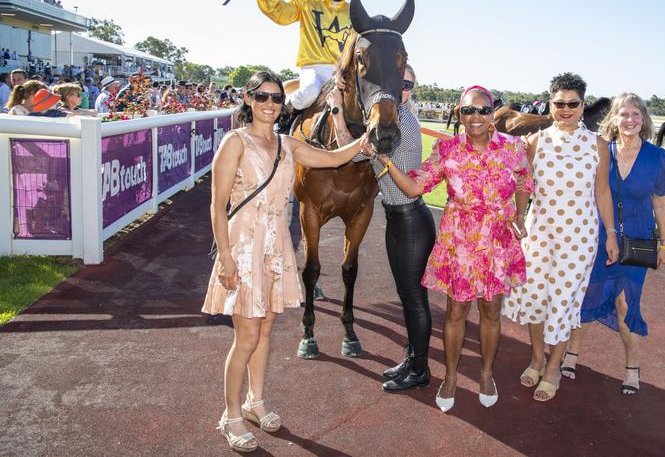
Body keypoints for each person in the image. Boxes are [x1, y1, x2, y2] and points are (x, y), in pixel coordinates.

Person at [201, 71, 371, 452]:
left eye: (277, 98)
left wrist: (365, 140)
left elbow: (333, 157)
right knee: (245, 336)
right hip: (244, 246)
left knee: (264, 332)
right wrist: (226, 257)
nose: (270, 104)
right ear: (248, 100)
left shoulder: (288, 144)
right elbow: (217, 206)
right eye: (261, 97)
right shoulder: (234, 143)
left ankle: (255, 402)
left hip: (276, 244)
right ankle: (230, 415)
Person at [376, 85, 533, 412]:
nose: (475, 116)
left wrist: (520, 214)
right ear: (458, 114)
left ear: (493, 113)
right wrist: (387, 162)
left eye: (482, 109)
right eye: (467, 110)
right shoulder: (447, 150)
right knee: (456, 311)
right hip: (460, 241)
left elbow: (523, 181)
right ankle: (450, 376)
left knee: (491, 312)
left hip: (497, 240)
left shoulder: (514, 147)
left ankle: (486, 374)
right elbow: (417, 185)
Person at [502, 72, 618, 402]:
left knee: (564, 301)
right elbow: (525, 184)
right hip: (539, 233)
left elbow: (603, 192)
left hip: (579, 237)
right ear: (550, 104)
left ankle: (554, 366)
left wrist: (610, 233)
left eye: (573, 104)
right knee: (535, 297)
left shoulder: (597, 146)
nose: (566, 109)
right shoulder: (536, 141)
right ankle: (537, 358)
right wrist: (519, 215)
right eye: (559, 103)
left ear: (583, 105)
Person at [562, 93, 665, 396]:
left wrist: (664, 245)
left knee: (627, 303)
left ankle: (632, 367)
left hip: (639, 238)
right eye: (624, 114)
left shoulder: (656, 157)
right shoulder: (601, 152)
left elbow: (662, 205)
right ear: (613, 119)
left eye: (636, 115)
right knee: (589, 295)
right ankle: (572, 353)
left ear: (644, 120)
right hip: (599, 236)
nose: (630, 121)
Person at [328, 64, 435, 391]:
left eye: (407, 85)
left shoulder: (401, 121)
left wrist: (338, 116)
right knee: (406, 296)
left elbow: (361, 156)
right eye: (397, 83)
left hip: (411, 221)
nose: (401, 90)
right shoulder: (394, 118)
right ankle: (412, 357)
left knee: (415, 299)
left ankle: (420, 370)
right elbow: (359, 153)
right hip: (398, 219)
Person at [257, 0, 354, 110]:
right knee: (309, 92)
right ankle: (281, 116)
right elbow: (275, 10)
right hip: (313, 69)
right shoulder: (307, 5)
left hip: (344, 72)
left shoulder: (355, 13)